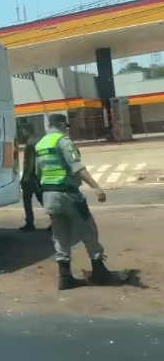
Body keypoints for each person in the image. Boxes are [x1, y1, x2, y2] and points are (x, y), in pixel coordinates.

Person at [35, 113, 113, 290]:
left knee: (60, 235)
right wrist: (96, 187)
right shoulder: (63, 141)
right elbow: (78, 168)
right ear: (62, 125)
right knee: (88, 229)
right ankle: (100, 272)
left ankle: (65, 277)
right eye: (67, 126)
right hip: (68, 194)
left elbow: (38, 173)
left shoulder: (41, 145)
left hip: (49, 196)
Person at [19, 124, 44, 232]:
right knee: (40, 198)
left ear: (27, 131)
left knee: (32, 199)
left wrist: (26, 177)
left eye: (24, 131)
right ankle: (57, 221)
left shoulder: (30, 144)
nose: (23, 133)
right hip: (38, 175)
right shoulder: (37, 141)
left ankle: (30, 223)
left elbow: (30, 162)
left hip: (32, 177)